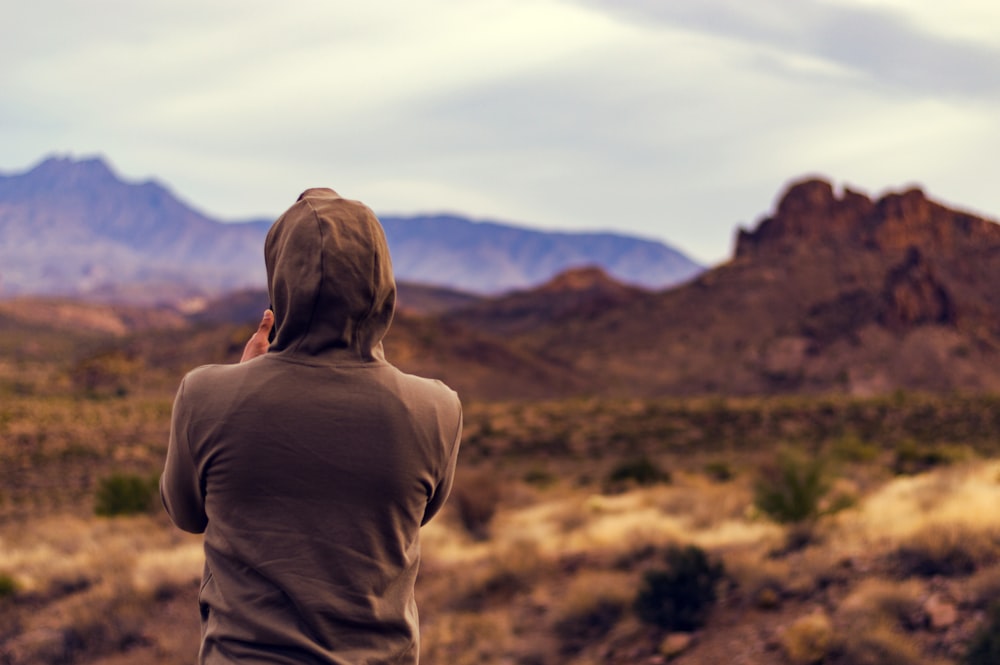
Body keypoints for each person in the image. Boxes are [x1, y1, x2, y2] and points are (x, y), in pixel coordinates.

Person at [160, 188, 463, 665]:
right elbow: (413, 513)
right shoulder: (436, 409)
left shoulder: (205, 395)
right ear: (380, 282)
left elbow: (186, 513)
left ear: (280, 279)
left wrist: (241, 378)